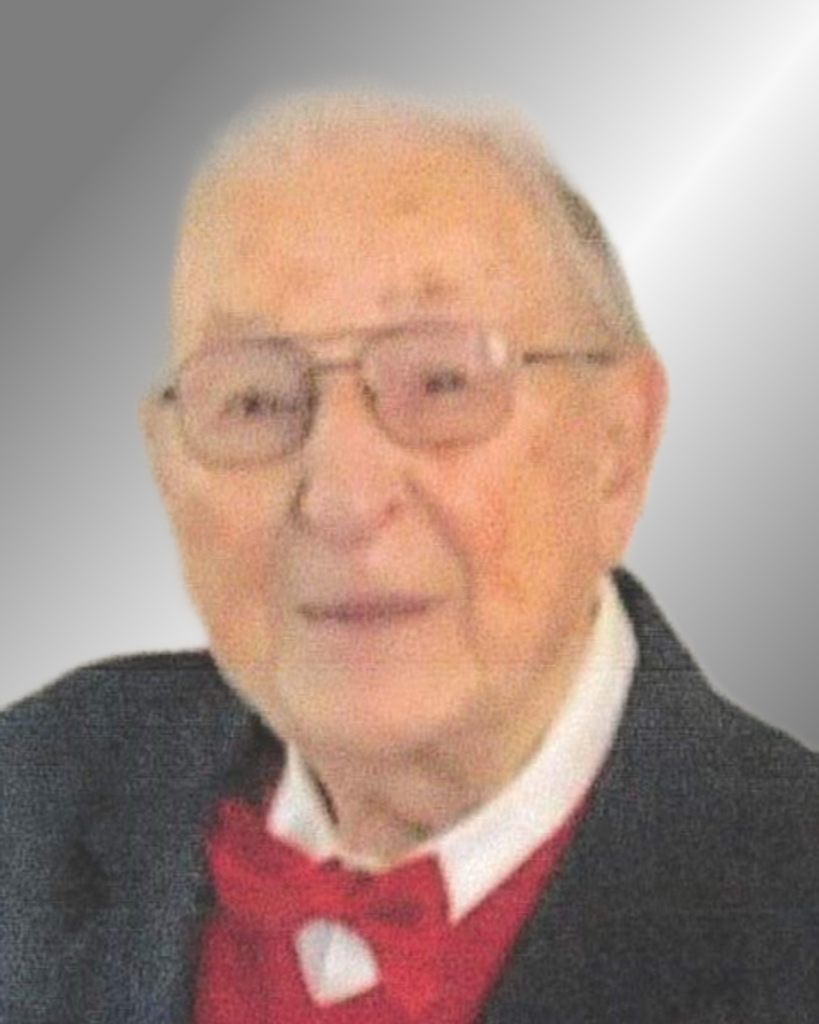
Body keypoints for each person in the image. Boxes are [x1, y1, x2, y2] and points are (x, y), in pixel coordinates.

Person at [1, 92, 816, 1024]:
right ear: (165, 465)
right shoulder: (31, 796)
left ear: (617, 446)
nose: (342, 498)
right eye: (255, 402)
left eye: (441, 381)